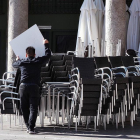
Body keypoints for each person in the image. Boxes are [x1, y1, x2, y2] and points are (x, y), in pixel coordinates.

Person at [12, 39, 51, 134]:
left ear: (26, 54)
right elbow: (48, 56)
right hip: (34, 87)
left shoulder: (22, 62)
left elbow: (14, 64)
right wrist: (46, 45)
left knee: (24, 107)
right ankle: (31, 127)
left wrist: (17, 59)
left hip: (23, 87)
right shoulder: (38, 61)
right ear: (34, 54)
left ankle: (28, 126)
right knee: (33, 107)